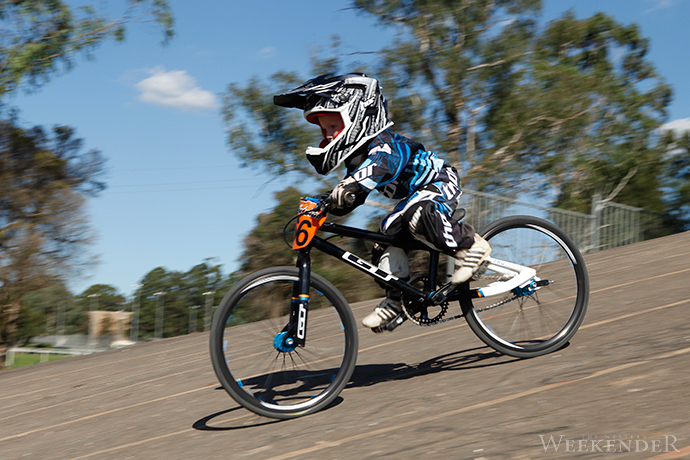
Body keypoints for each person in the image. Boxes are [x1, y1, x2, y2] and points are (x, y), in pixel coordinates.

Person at [274, 74, 491, 331]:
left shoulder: (384, 144)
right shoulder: (357, 160)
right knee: (383, 238)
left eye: (334, 127)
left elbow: (381, 166)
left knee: (418, 212)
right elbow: (353, 196)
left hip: (441, 181)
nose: (329, 135)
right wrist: (323, 204)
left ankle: (472, 246)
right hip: (413, 197)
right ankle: (397, 299)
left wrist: (349, 186)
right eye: (324, 130)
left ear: (357, 118)